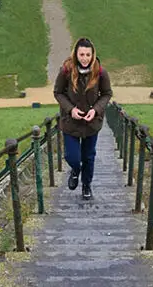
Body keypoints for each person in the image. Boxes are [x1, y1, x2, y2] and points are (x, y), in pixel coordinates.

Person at [53, 37, 112, 200]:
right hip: (70, 122)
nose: (84, 58)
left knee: (88, 156)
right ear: (76, 54)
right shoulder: (66, 70)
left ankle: (86, 185)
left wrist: (96, 110)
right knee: (73, 157)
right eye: (81, 54)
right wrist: (70, 109)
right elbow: (58, 92)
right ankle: (75, 171)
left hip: (91, 123)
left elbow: (107, 94)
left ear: (92, 55)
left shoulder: (100, 72)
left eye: (88, 54)